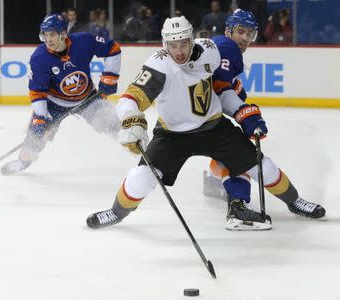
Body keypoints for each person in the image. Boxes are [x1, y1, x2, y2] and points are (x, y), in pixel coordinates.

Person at [86, 16, 272, 230]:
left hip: (211, 125)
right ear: (165, 45)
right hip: (172, 133)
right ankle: (116, 212)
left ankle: (231, 199)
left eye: (184, 43)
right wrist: (131, 119)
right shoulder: (160, 65)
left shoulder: (210, 52)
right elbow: (131, 96)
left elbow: (222, 83)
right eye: (173, 45)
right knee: (143, 176)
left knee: (238, 158)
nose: (180, 50)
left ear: (192, 40)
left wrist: (238, 101)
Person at [202, 9, 325, 229]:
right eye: (241, 32)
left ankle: (218, 186)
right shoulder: (226, 46)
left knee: (234, 160)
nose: (245, 39)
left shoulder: (219, 48)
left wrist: (239, 103)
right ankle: (293, 201)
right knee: (251, 162)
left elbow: (220, 88)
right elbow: (221, 91)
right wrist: (245, 113)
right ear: (228, 30)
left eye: (250, 34)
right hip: (199, 123)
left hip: (197, 123)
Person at [1, 14, 122, 175]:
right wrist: (40, 117)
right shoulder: (39, 58)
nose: (48, 39)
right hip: (54, 104)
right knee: (35, 138)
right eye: (45, 35)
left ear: (63, 34)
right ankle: (23, 161)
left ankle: (142, 150)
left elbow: (113, 49)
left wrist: (109, 79)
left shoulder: (83, 42)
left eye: (52, 34)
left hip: (87, 98)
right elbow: (37, 92)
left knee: (115, 126)